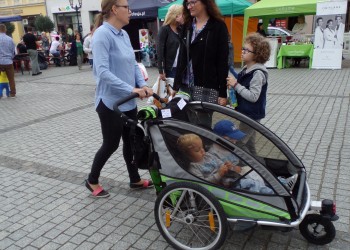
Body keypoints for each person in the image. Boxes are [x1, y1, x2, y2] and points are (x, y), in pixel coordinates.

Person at [86, 0, 154, 198]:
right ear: (115, 9)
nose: (130, 11)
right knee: (111, 144)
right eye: (126, 7)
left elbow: (133, 65)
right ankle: (92, 180)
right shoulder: (102, 35)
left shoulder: (124, 34)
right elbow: (102, 72)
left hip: (128, 100)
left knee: (131, 143)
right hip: (110, 103)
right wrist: (131, 88)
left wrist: (142, 85)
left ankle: (134, 180)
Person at [177, 133, 275, 194]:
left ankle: (274, 189)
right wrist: (219, 174)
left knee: (253, 181)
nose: (203, 151)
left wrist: (227, 166)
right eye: (198, 150)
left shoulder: (208, 155)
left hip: (230, 180)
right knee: (251, 184)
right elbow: (203, 184)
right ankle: (268, 196)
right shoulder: (194, 168)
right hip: (221, 189)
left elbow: (220, 163)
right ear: (188, 155)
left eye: (202, 147)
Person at [173, 0, 229, 106]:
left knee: (202, 121)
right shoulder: (187, 26)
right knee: (183, 119)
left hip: (207, 88)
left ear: (205, 2)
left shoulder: (218, 27)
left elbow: (222, 62)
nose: (189, 6)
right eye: (187, 3)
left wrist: (223, 93)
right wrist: (176, 86)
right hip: (185, 86)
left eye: (193, 2)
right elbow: (182, 57)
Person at [226, 33, 270, 156]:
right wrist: (230, 100)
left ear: (257, 54)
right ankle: (258, 168)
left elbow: (253, 97)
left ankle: (239, 165)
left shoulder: (257, 73)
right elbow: (241, 91)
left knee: (239, 143)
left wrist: (236, 85)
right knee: (249, 144)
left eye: (246, 50)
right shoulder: (246, 69)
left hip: (252, 115)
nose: (242, 52)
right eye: (243, 49)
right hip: (245, 113)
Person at [157, 4, 184, 80]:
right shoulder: (164, 29)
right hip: (170, 69)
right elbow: (160, 51)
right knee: (172, 90)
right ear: (176, 15)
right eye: (182, 14)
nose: (184, 16)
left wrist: (183, 24)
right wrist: (161, 70)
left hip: (182, 68)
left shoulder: (181, 29)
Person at [0, 24, 16, 98]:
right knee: (11, 79)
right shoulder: (10, 39)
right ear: (5, 29)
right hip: (8, 61)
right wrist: (10, 58)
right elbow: (13, 51)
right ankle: (12, 93)